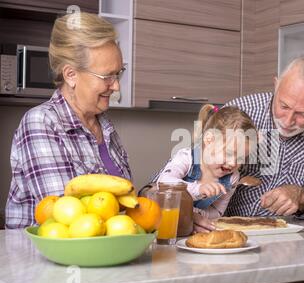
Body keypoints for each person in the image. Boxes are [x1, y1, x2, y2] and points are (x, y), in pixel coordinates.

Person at [5, 12, 131, 229]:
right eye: (107, 76)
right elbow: (67, 217)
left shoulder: (105, 126)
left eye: (118, 74)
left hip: (102, 254)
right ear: (71, 75)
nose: (116, 86)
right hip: (39, 260)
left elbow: (125, 201)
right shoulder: (40, 122)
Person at [199, 56, 304, 229]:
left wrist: (303, 197)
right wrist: (191, 212)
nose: (288, 120)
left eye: (303, 114)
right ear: (276, 85)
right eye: (284, 106)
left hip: (290, 233)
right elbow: (187, 174)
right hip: (222, 227)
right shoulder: (239, 111)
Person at [155, 104, 257, 232]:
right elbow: (163, 182)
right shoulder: (187, 157)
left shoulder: (232, 178)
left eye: (241, 158)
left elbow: (217, 211)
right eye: (229, 153)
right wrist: (198, 190)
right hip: (166, 228)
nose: (232, 163)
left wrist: (199, 215)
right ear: (209, 140)